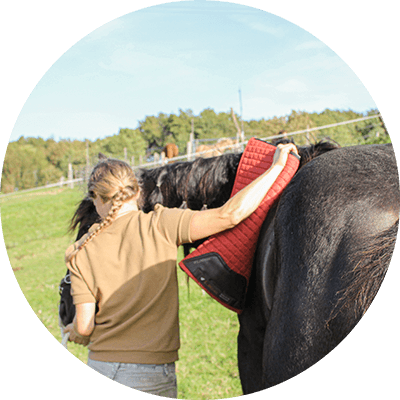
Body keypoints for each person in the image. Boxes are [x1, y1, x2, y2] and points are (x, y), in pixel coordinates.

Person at [64, 143, 298, 397]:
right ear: (136, 190)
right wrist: (276, 167)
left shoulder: (80, 250)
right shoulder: (161, 223)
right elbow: (230, 214)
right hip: (150, 374)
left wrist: (75, 332)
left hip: (101, 364)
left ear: (96, 197)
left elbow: (85, 326)